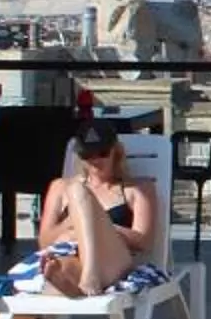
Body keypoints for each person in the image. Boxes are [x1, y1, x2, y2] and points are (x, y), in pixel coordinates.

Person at [31, 121, 161, 298]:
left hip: (114, 260)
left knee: (78, 191)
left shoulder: (138, 188)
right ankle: (71, 289)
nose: (95, 161)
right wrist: (77, 222)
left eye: (102, 153)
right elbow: (45, 241)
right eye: (88, 154)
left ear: (116, 152)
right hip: (73, 255)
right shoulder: (60, 187)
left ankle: (91, 275)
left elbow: (144, 242)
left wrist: (99, 224)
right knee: (62, 270)